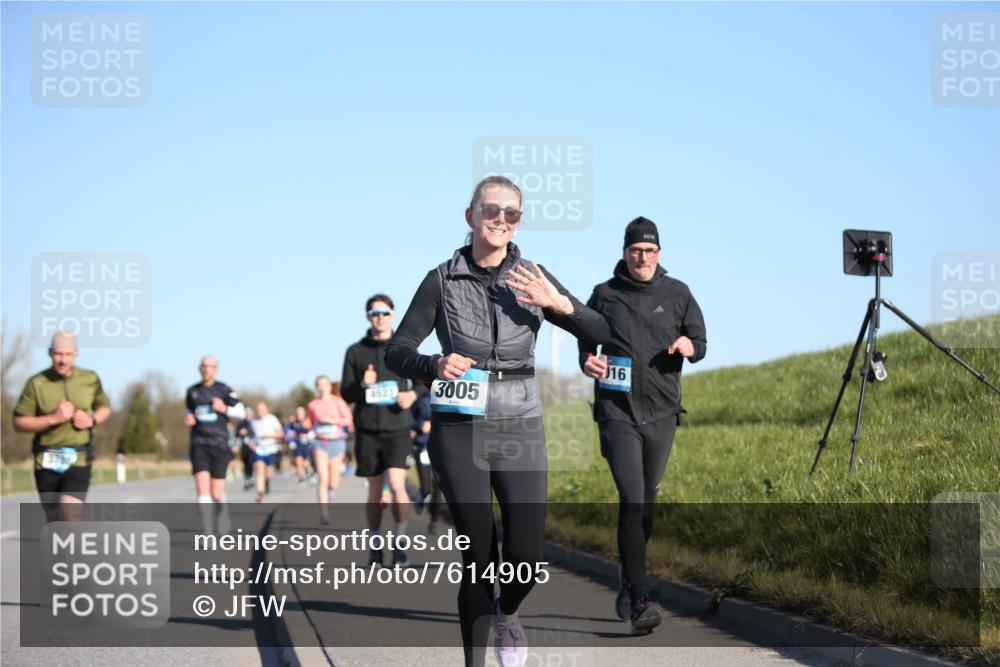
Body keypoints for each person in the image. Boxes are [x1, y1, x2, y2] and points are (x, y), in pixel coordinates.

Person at [386, 175, 610, 667]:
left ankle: (506, 614)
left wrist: (556, 304)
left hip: (520, 422)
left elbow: (599, 328)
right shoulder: (441, 279)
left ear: (519, 222)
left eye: (511, 213)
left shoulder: (532, 276)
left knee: (525, 564)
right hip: (459, 426)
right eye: (491, 210)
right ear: (471, 216)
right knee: (479, 559)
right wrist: (432, 365)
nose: (501, 220)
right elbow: (396, 351)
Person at [578, 216, 707, 634]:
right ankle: (639, 600)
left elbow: (700, 342)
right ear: (625, 252)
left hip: (663, 412)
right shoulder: (604, 295)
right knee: (632, 500)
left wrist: (690, 346)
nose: (643, 258)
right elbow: (584, 336)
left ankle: (627, 574)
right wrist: (587, 358)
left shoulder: (678, 293)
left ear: (660, 254)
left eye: (650, 251)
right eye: (636, 251)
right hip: (617, 411)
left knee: (645, 503)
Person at [341, 294, 424, 567]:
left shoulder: (404, 349)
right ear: (368, 316)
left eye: (385, 313)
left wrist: (412, 396)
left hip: (398, 427)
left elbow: (426, 380)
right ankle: (375, 546)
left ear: (393, 315)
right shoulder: (355, 351)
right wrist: (363, 386)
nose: (380, 317)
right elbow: (346, 392)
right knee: (375, 493)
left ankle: (401, 542)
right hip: (367, 429)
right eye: (375, 313)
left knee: (398, 487)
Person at [13, 331, 111, 522]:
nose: (63, 360)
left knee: (70, 513)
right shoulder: (36, 383)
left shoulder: (89, 379)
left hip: (79, 456)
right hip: (46, 458)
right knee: (54, 519)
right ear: (50, 353)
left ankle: (80, 552)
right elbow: (19, 422)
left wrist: (92, 420)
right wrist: (53, 418)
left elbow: (104, 407)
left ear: (76, 353)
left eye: (68, 354)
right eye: (58, 354)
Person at [184, 355, 246, 534]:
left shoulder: (224, 389)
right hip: (199, 443)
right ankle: (208, 531)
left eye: (210, 366)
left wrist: (224, 408)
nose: (206, 369)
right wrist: (188, 418)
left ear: (216, 370)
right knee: (202, 489)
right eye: (203, 366)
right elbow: (188, 410)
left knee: (216, 493)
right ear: (199, 368)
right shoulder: (192, 391)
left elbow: (242, 412)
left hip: (219, 443)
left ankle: (223, 514)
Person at [308, 376, 353, 524]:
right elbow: (312, 423)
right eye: (319, 385)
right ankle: (324, 512)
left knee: (333, 481)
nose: (321, 387)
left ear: (329, 386)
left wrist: (333, 420)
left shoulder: (337, 401)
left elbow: (348, 420)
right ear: (316, 387)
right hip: (320, 442)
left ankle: (331, 492)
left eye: (324, 384)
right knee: (322, 476)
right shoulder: (313, 405)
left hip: (337, 441)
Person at [410, 391, 443, 533]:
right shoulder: (419, 397)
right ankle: (422, 496)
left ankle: (433, 522)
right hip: (422, 447)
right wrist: (419, 426)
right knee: (425, 486)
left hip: (442, 447)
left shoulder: (448, 394)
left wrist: (435, 425)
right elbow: (408, 418)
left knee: (440, 488)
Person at [250, 401, 283, 502]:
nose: (259, 411)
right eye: (258, 410)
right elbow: (251, 435)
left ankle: (267, 481)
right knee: (259, 469)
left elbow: (280, 434)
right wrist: (251, 442)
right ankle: (260, 492)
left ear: (266, 410)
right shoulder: (254, 421)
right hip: (259, 449)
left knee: (269, 471)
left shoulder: (272, 419)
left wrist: (269, 436)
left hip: (271, 448)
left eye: (261, 409)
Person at [237, 405, 256, 490]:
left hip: (253, 446)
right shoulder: (242, 423)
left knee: (251, 462)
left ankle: (251, 478)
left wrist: (253, 441)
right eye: (246, 412)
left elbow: (257, 434)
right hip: (244, 446)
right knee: (245, 462)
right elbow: (236, 433)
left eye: (249, 412)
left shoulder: (254, 422)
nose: (248, 414)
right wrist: (240, 432)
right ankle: (247, 479)